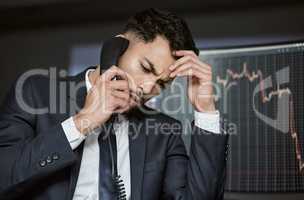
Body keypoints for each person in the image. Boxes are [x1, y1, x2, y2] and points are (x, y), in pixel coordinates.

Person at [0, 8, 228, 200]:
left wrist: (206, 111)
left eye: (163, 83)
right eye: (146, 68)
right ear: (116, 48)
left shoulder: (165, 132)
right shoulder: (35, 93)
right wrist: (81, 123)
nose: (149, 88)